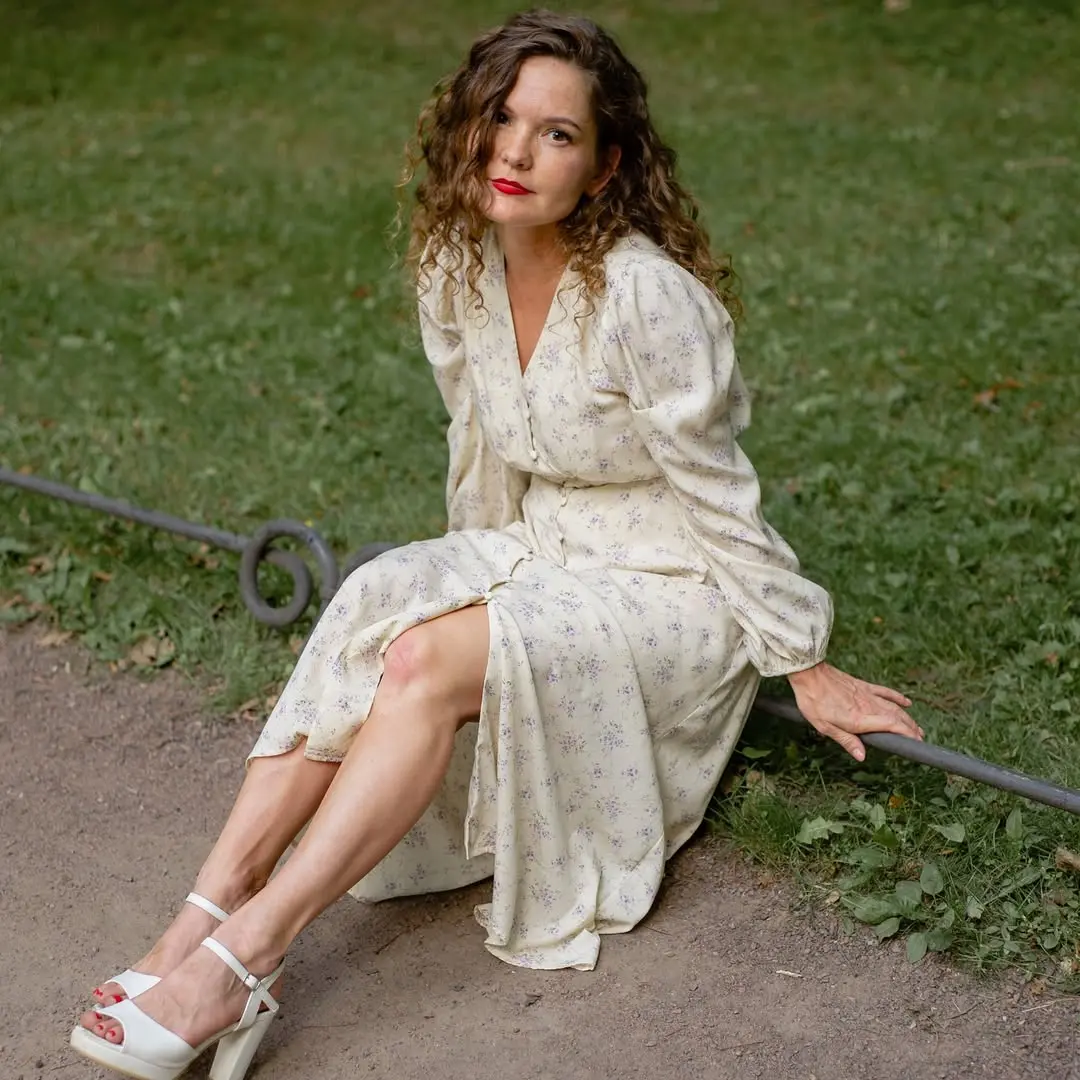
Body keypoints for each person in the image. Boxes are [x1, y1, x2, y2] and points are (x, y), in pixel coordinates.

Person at [70, 9, 924, 1079]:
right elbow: (480, 444)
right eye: (501, 118)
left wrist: (800, 657)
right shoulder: (456, 265)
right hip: (541, 540)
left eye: (556, 133)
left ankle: (244, 961)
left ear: (604, 168)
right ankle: (197, 921)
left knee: (426, 660)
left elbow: (718, 493)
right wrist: (461, 583)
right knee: (382, 601)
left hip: (671, 584)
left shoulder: (645, 297)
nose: (515, 151)